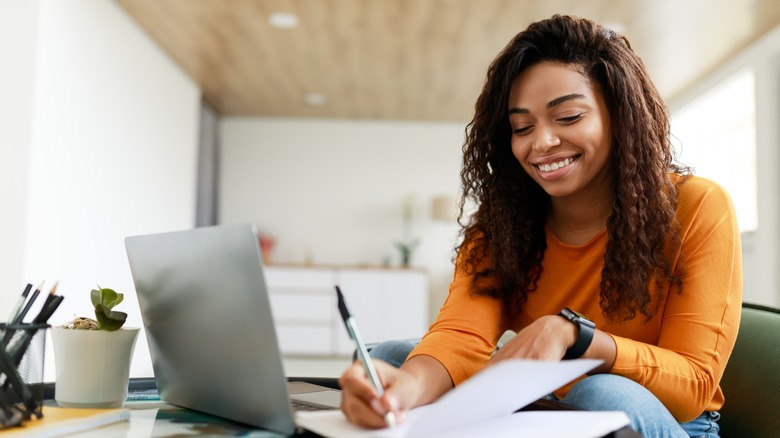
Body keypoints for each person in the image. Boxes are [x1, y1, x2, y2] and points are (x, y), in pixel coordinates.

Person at [338, 14, 742, 438]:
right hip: (550, 409)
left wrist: (576, 336)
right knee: (392, 358)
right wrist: (404, 390)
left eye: (568, 117)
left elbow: (694, 385)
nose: (541, 142)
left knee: (602, 393)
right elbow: (461, 334)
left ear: (619, 115)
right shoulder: (503, 223)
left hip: (670, 420)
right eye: (522, 127)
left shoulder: (698, 206)